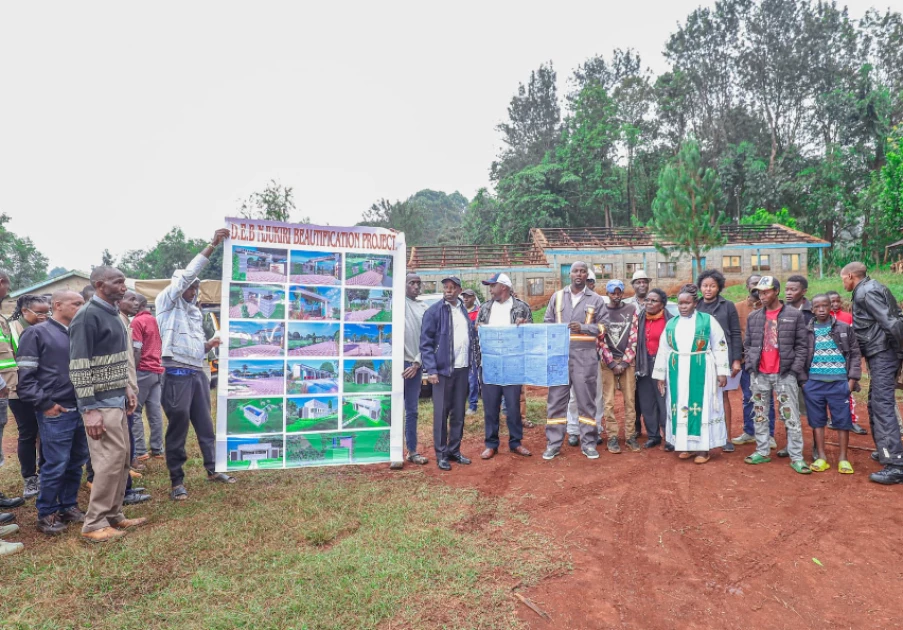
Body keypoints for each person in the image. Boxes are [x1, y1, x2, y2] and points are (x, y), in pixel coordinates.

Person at [157, 228, 236, 500]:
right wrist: (212, 245)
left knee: (205, 425)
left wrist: (209, 345)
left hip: (197, 374)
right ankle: (177, 481)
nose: (193, 290)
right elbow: (186, 276)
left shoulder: (194, 313)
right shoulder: (166, 303)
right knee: (178, 427)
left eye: (195, 287)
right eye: (189, 286)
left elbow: (194, 349)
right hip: (175, 375)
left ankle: (213, 469)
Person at [70, 266, 146, 542]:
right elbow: (79, 366)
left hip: (116, 398)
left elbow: (115, 358)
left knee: (122, 459)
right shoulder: (87, 316)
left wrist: (126, 387)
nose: (124, 286)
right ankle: (94, 523)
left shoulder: (113, 314)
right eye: (118, 282)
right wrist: (89, 409)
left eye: (124, 281)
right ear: (101, 285)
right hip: (99, 402)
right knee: (108, 462)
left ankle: (114, 515)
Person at [17, 290, 90, 535]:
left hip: (81, 407)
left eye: (83, 303)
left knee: (76, 461)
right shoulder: (36, 333)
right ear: (57, 305)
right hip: (56, 410)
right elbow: (25, 380)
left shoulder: (78, 333)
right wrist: (45, 404)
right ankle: (47, 512)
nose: (82, 307)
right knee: (55, 462)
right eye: (76, 303)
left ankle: (68, 505)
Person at [653, 284, 729, 463]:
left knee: (702, 406)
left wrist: (722, 371)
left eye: (687, 303)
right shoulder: (672, 323)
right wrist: (660, 375)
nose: (683, 307)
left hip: (701, 368)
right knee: (680, 406)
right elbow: (663, 350)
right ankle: (685, 445)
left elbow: (720, 344)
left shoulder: (707, 320)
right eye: (680, 303)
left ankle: (703, 449)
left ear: (695, 303)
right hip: (676, 370)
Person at [742, 276, 811, 474]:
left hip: (784, 374)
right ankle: (762, 451)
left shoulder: (793, 315)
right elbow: (748, 344)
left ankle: (796, 457)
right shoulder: (754, 317)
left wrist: (793, 370)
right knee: (760, 414)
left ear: (776, 291)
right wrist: (751, 367)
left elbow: (802, 345)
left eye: (767, 291)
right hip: (760, 374)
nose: (762, 296)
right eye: (760, 292)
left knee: (791, 416)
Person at [843, 262, 903, 485]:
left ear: (850, 276)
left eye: (844, 280)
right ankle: (886, 449)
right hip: (881, 351)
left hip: (883, 352)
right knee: (875, 401)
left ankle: (896, 464)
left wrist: (898, 351)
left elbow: (892, 322)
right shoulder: (872, 287)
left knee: (882, 404)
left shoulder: (866, 293)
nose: (844, 284)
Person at [542, 262, 606, 460]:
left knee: (586, 402)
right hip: (560, 357)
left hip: (585, 358)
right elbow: (547, 322)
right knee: (556, 401)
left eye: (583, 271)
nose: (579, 274)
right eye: (576, 271)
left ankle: (588, 443)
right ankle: (553, 444)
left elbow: (604, 327)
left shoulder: (595, 299)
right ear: (569, 274)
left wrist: (584, 328)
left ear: (587, 275)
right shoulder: (558, 297)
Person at [420, 276, 478, 471]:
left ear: (459, 290)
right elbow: (426, 344)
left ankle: (454, 450)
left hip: (462, 370)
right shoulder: (434, 311)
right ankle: (441, 454)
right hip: (442, 372)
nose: (448, 291)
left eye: (452, 288)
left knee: (458, 414)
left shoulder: (462, 310)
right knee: (441, 414)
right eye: (446, 287)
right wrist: (432, 370)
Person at [802, 294, 861, 474]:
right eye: (817, 306)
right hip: (814, 384)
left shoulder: (843, 328)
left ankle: (843, 458)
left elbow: (855, 353)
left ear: (831, 307)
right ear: (812, 309)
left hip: (839, 383)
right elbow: (800, 355)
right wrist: (804, 382)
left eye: (825, 306)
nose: (821, 310)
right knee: (817, 421)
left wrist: (851, 381)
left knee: (842, 421)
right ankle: (822, 457)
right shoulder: (806, 331)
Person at [475, 273, 532, 459]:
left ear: (504, 287)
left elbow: (531, 334)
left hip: (512, 365)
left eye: (493, 285)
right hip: (490, 365)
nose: (490, 289)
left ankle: (516, 442)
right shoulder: (485, 308)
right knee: (491, 407)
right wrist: (478, 329)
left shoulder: (521, 307)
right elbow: (476, 333)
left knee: (513, 407)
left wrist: (524, 325)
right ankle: (491, 444)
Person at [8, 294, 51, 499]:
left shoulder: (48, 327)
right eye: (39, 312)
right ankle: (30, 478)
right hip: (19, 391)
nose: (44, 316)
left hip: (44, 390)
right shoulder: (13, 328)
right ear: (25, 311)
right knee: (27, 433)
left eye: (47, 312)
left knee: (45, 432)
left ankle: (45, 473)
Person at [696, 270, 743, 453]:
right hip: (701, 360)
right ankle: (703, 435)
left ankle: (726, 438)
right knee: (701, 397)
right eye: (705, 286)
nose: (708, 289)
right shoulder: (696, 306)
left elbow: (736, 332)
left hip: (724, 358)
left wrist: (736, 360)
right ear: (700, 287)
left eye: (712, 286)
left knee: (723, 396)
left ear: (719, 287)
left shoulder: (728, 306)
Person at [732, 274, 777, 449]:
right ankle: (750, 431)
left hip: (767, 361)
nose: (756, 288)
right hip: (746, 360)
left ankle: (769, 434)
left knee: (767, 398)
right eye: (753, 284)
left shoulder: (771, 309)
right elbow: (736, 334)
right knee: (748, 398)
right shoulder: (737, 308)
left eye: (760, 285)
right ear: (747, 286)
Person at [599, 279, 639, 454]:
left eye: (619, 292)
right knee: (608, 402)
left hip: (627, 363)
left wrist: (624, 362)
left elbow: (634, 337)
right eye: (612, 292)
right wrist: (611, 362)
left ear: (623, 293)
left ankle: (630, 436)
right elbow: (600, 339)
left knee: (630, 400)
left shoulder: (631, 310)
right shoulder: (602, 312)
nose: (616, 295)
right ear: (607, 294)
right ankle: (613, 437)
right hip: (607, 363)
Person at [826, 290, 867, 436]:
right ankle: (833, 419)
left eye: (837, 301)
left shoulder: (847, 317)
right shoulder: (822, 318)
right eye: (832, 302)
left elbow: (853, 340)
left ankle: (851, 421)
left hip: (845, 361)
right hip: (827, 362)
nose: (835, 304)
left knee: (847, 393)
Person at [635, 288, 672, 449]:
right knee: (646, 400)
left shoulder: (670, 320)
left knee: (664, 400)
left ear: (662, 304)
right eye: (647, 300)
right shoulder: (639, 318)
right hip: (644, 364)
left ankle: (669, 436)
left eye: (653, 301)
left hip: (663, 364)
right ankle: (653, 435)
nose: (648, 303)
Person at [130, 294, 166, 459]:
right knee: (155, 411)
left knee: (135, 410)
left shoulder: (137, 322)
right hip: (157, 370)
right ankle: (157, 449)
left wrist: (132, 370)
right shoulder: (156, 320)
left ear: (138, 304)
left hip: (143, 369)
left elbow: (136, 349)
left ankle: (140, 451)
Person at [400, 273, 428, 467]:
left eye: (418, 284)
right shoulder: (395, 303)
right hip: (393, 365)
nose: (416, 287)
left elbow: (428, 340)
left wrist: (417, 363)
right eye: (412, 283)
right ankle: (390, 451)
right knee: (388, 408)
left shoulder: (424, 309)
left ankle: (412, 451)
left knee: (412, 410)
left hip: (413, 366)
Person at [461, 288, 480, 416]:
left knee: (473, 379)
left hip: (474, 349)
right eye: (464, 296)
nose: (465, 298)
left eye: (468, 296)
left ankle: (473, 405)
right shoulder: (459, 311)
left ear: (474, 298)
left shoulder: (478, 312)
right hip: (461, 349)